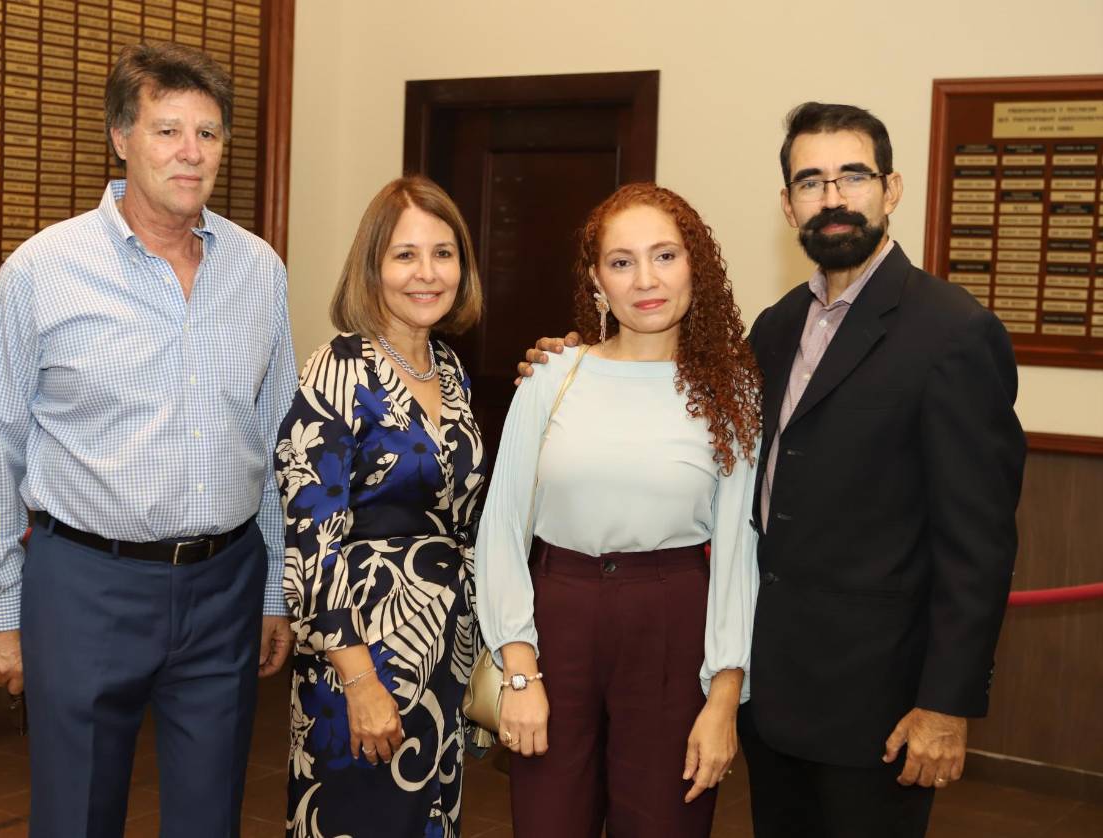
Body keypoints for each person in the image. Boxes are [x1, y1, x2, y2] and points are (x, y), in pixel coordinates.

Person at [519, 103, 1026, 837]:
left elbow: (979, 543)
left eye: (852, 175)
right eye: (810, 181)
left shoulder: (952, 333)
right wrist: (568, 364)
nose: (833, 196)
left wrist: (945, 705)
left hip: (879, 705)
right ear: (787, 204)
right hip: (773, 693)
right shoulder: (777, 327)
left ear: (892, 189)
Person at [0, 43, 295, 837]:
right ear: (120, 137)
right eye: (168, 130)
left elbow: (276, 445)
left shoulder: (259, 271)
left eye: (208, 134)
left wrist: (274, 587)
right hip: (86, 587)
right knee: (77, 815)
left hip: (224, 583)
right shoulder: (44, 269)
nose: (190, 152)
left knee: (211, 816)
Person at [477, 183, 761, 837]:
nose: (646, 280)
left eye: (665, 256)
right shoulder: (553, 376)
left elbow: (739, 553)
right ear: (597, 279)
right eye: (622, 261)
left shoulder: (732, 390)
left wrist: (723, 697)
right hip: (558, 620)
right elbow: (501, 531)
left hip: (672, 622)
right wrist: (520, 673)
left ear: (698, 266)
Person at [275, 175, 485, 837]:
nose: (427, 273)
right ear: (373, 268)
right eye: (405, 255)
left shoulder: (447, 368)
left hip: (441, 649)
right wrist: (361, 680)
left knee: (426, 821)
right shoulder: (339, 366)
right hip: (361, 656)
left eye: (443, 253)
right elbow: (312, 538)